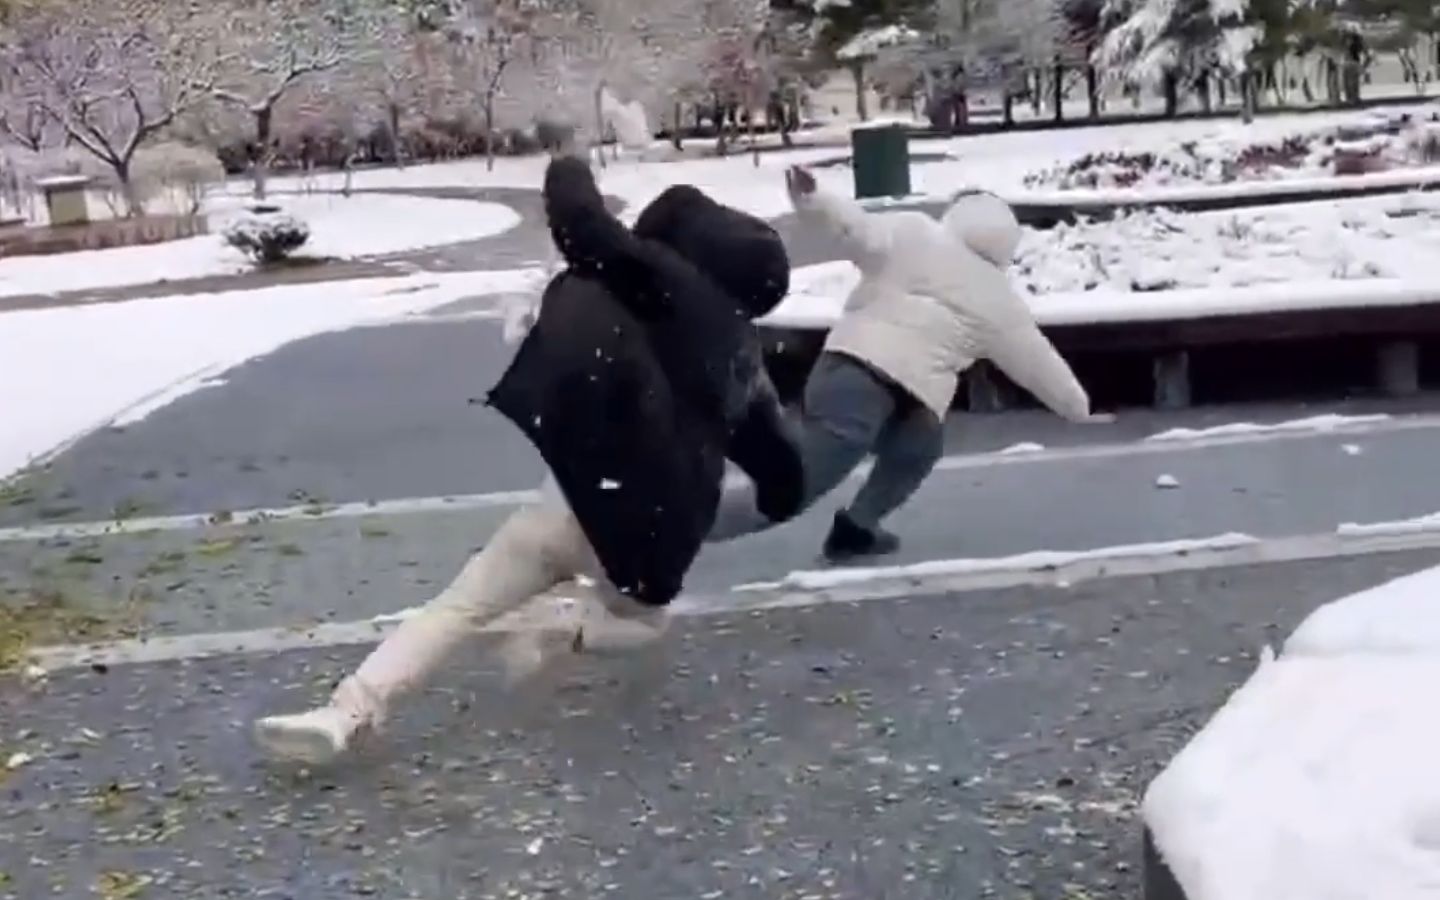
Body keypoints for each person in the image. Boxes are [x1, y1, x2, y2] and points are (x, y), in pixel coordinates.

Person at [252, 156, 804, 764]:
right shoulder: (744, 358)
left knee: (457, 608)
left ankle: (348, 709)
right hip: (645, 544)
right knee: (647, 624)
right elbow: (780, 468)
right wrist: (776, 498)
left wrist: (567, 161)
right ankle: (565, 631)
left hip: (568, 504)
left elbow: (582, 224)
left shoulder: (662, 277)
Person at [708, 165, 1094, 561]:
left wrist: (815, 197)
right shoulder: (1002, 301)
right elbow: (1039, 363)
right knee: (791, 489)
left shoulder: (915, 233)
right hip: (875, 385)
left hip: (851, 373)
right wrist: (1078, 410)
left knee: (921, 444)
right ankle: (673, 529)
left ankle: (856, 529)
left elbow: (857, 230)